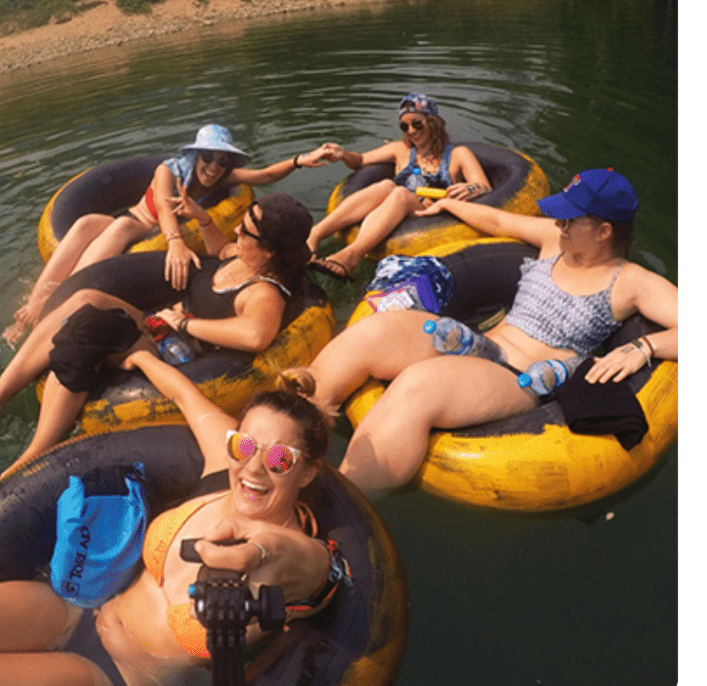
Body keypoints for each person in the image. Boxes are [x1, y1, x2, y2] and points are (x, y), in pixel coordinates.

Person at [0, 348, 342, 686]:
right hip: (79, 609)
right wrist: (138, 354)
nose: (254, 468)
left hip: (117, 682)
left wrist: (256, 552)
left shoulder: (292, 553)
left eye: (279, 459)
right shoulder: (224, 467)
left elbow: (309, 564)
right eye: (246, 445)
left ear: (309, 471)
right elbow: (184, 395)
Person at [285, 169, 678, 494]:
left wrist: (644, 346)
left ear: (604, 231)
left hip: (519, 378)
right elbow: (499, 222)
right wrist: (447, 203)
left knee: (420, 384)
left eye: (570, 219)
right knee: (374, 332)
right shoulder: (553, 241)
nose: (559, 223)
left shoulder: (631, 281)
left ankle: (331, 503)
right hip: (479, 342)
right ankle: (281, 437)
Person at [0, 192, 317, 474]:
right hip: (160, 325)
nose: (238, 229)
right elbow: (221, 248)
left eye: (247, 230)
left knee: (88, 332)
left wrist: (185, 324)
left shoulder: (265, 293)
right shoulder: (244, 255)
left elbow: (255, 335)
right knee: (84, 298)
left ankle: (34, 454)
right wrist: (203, 218)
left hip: (177, 351)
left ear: (269, 251)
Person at [5, 125, 340, 344]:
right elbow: (165, 210)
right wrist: (176, 242)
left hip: (142, 231)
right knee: (85, 225)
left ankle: (55, 299)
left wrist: (301, 159)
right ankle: (41, 300)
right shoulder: (167, 170)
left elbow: (265, 175)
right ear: (196, 155)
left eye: (222, 160)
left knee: (119, 227)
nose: (214, 166)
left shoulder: (223, 178)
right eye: (208, 157)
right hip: (142, 221)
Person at [307, 94, 491, 280]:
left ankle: (351, 256)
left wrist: (469, 188)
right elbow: (361, 160)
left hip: (430, 215)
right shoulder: (400, 150)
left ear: (433, 123)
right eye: (405, 126)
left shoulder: (458, 154)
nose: (411, 131)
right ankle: (315, 234)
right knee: (387, 185)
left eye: (417, 124)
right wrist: (343, 154)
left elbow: (483, 185)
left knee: (400, 193)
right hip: (393, 209)